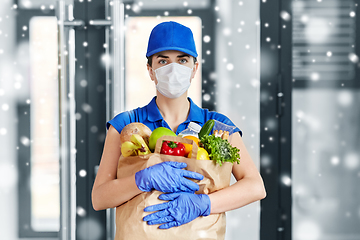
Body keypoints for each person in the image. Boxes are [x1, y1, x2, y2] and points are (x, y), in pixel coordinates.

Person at [92, 21, 266, 230]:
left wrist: (203, 204)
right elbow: (99, 198)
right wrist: (141, 180)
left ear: (194, 69)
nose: (173, 69)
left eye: (182, 60)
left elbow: (255, 187)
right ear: (150, 70)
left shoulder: (217, 127)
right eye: (163, 61)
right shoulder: (126, 125)